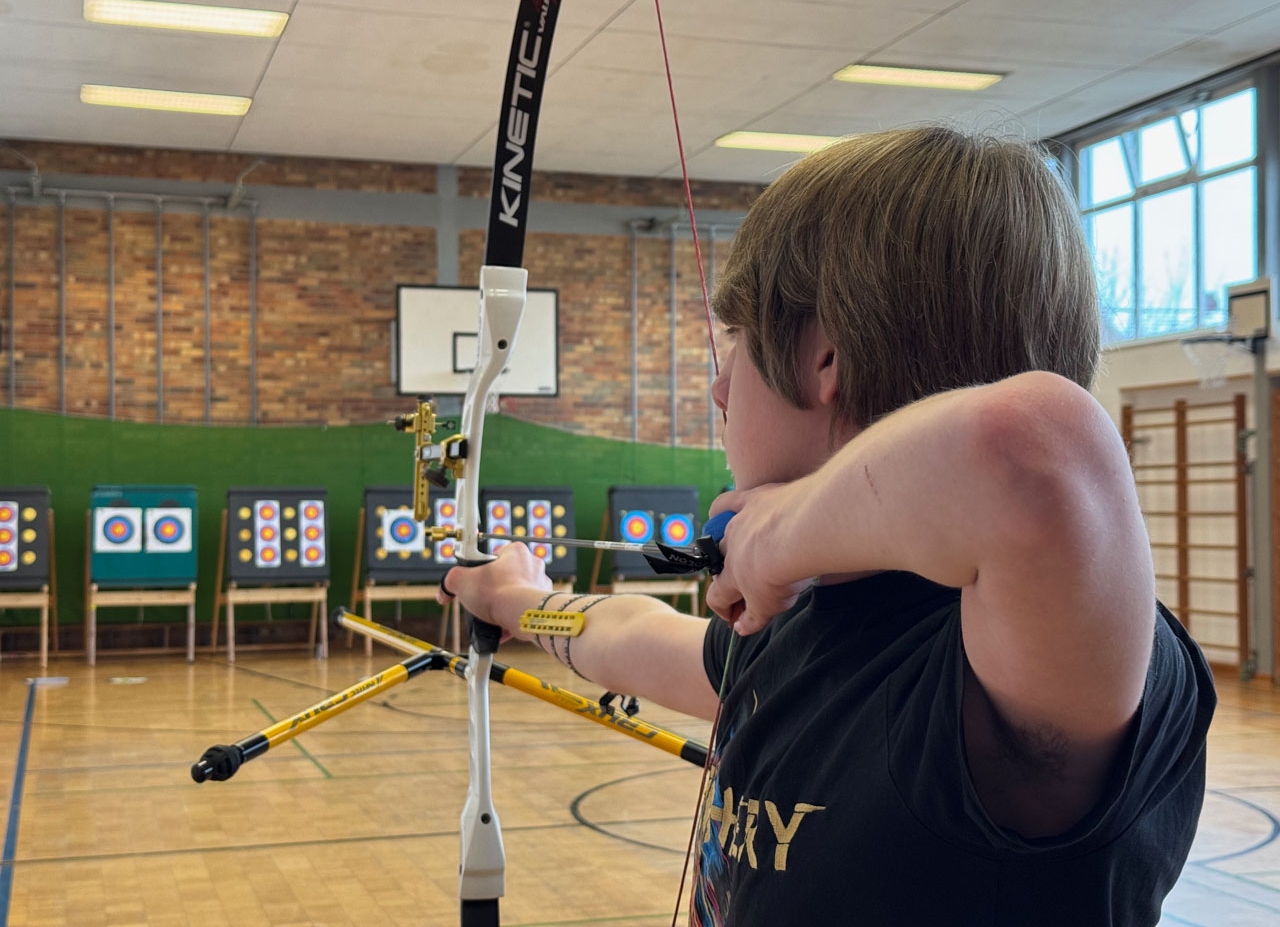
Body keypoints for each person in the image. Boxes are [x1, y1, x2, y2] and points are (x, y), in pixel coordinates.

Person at [439, 125, 1216, 926]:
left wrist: (779, 536)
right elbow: (630, 635)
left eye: (736, 340)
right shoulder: (801, 621)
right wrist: (518, 600)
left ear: (825, 358)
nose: (719, 389)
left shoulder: (1032, 658)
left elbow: (1032, 448)